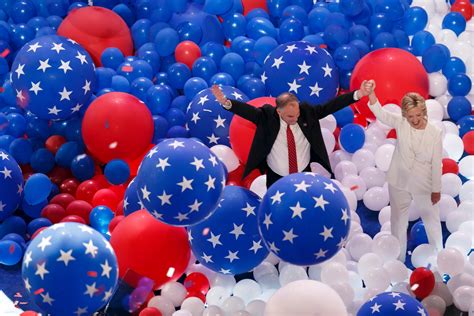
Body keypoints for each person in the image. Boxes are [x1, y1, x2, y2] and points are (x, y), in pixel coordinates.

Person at [211, 81, 373, 188]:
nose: (295, 118)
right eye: (290, 116)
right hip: (276, 176)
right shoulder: (267, 116)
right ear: (279, 111)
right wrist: (226, 102)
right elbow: (246, 111)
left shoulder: (307, 112)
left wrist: (357, 94)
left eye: (297, 114)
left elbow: (332, 105)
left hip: (303, 173)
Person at [366, 81, 443, 262]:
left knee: (432, 220)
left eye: (417, 115)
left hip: (424, 184)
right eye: (410, 116)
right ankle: (397, 261)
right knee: (398, 223)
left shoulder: (435, 132)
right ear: (404, 115)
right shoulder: (400, 122)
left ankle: (440, 257)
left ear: (424, 112)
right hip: (398, 181)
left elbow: (436, 162)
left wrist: (436, 189)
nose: (414, 119)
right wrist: (371, 94)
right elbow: (381, 114)